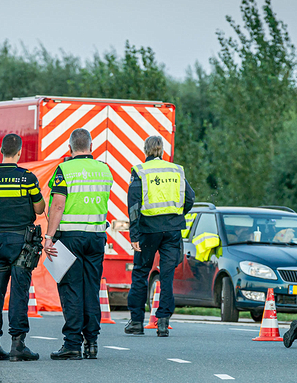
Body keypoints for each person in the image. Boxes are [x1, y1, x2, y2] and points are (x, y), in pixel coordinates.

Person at [42, 128, 112, 360]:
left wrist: (49, 236)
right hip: (96, 236)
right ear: (91, 146)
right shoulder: (104, 170)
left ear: (70, 147)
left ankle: (72, 343)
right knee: (91, 288)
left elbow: (58, 205)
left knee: (71, 288)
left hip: (70, 237)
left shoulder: (64, 170)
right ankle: (91, 342)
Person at [0, 133, 45, 362]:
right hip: (22, 242)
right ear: (19, 152)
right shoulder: (27, 178)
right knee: (19, 292)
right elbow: (39, 209)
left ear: (1, 151)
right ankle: (18, 345)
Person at [125, 135, 196, 337]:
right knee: (167, 276)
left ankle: (137, 322)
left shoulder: (140, 171)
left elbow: (134, 206)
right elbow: (190, 197)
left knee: (140, 273)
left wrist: (134, 234)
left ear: (146, 150)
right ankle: (163, 322)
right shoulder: (176, 170)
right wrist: (177, 214)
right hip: (172, 230)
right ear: (162, 150)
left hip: (148, 230)